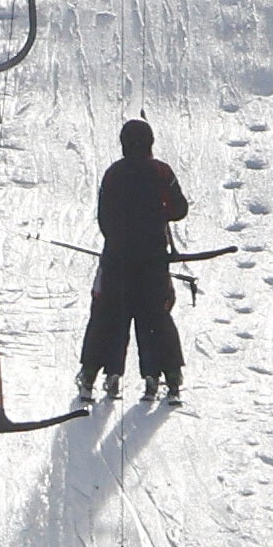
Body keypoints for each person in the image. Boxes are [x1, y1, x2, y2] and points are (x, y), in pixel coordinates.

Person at [76, 118, 193, 407]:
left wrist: (118, 241)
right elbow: (179, 209)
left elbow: (104, 217)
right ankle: (166, 376)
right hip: (153, 259)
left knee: (107, 313)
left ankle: (96, 372)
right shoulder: (161, 171)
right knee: (155, 315)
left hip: (117, 257)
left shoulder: (113, 173)